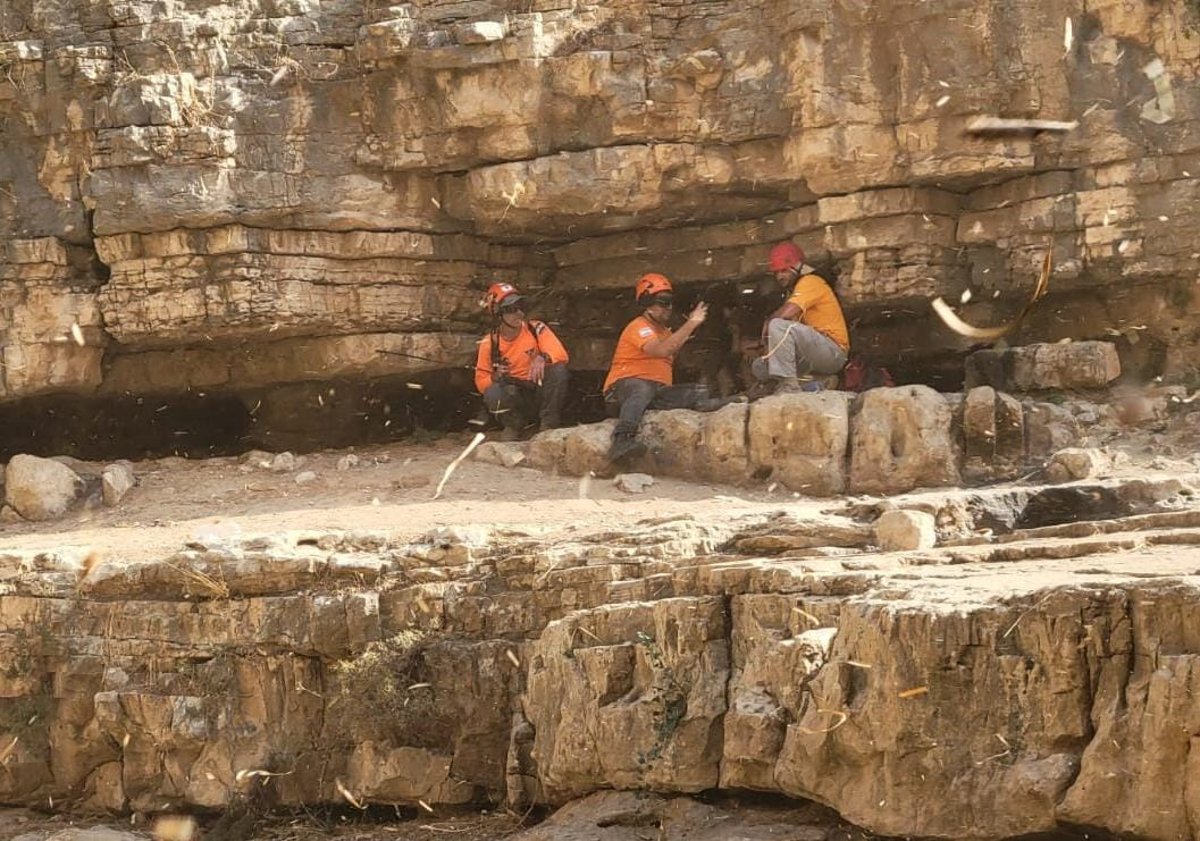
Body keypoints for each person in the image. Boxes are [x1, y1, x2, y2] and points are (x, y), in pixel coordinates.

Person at [603, 273, 743, 463]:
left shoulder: (666, 332)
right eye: (663, 302)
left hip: (656, 392)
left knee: (698, 392)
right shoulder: (638, 327)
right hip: (621, 392)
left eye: (670, 302)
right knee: (641, 387)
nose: (669, 308)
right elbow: (662, 350)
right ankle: (622, 440)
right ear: (647, 303)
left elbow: (675, 345)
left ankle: (740, 400)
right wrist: (691, 323)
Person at [749, 242, 850, 394]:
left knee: (778, 324)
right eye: (776, 273)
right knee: (760, 366)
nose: (779, 276)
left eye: (784, 271)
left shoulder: (810, 282)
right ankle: (817, 382)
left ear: (797, 267)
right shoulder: (795, 291)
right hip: (814, 355)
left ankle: (790, 386)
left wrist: (769, 322)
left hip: (833, 352)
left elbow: (786, 314)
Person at [475, 282, 570, 441]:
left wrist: (543, 357)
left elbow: (561, 355)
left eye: (520, 307)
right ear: (498, 313)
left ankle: (548, 425)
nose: (519, 313)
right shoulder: (489, 343)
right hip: (515, 398)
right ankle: (513, 425)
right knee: (492, 392)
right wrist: (495, 377)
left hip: (539, 392)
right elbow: (480, 382)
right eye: (511, 309)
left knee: (558, 370)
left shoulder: (536, 328)